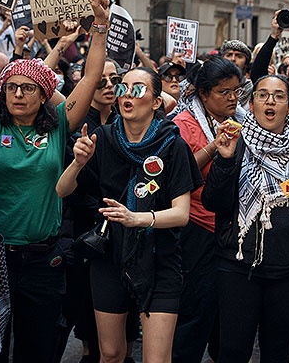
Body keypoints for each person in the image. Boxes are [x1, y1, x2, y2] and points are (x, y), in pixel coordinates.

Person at [0, 0, 109, 362]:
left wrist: (99, 26)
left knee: (37, 353)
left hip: (43, 261)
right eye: (12, 87)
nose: (18, 93)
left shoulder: (58, 128)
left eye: (28, 88)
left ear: (44, 94)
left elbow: (88, 78)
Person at [57, 66, 203, 363]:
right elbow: (62, 190)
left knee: (156, 359)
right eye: (123, 89)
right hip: (111, 256)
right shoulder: (103, 138)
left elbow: (181, 214)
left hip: (159, 258)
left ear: (156, 101)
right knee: (110, 354)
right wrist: (78, 162)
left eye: (137, 90)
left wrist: (138, 218)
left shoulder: (173, 144)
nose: (127, 96)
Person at [200, 74, 289, 362]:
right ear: (251, 104)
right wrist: (225, 160)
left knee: (278, 352)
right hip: (239, 270)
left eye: (278, 96)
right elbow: (213, 203)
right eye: (262, 95)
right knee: (232, 351)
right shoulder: (235, 143)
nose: (270, 101)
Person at [171, 57, 244, 363]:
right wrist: (216, 145)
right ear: (203, 94)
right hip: (197, 229)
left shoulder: (245, 120)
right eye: (223, 92)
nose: (232, 98)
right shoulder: (183, 125)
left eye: (236, 91)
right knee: (194, 312)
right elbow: (182, 174)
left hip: (231, 230)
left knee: (225, 317)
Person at [220, 40, 253, 107]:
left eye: (239, 56)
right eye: (229, 55)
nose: (233, 59)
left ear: (246, 63)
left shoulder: (251, 89)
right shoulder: (214, 85)